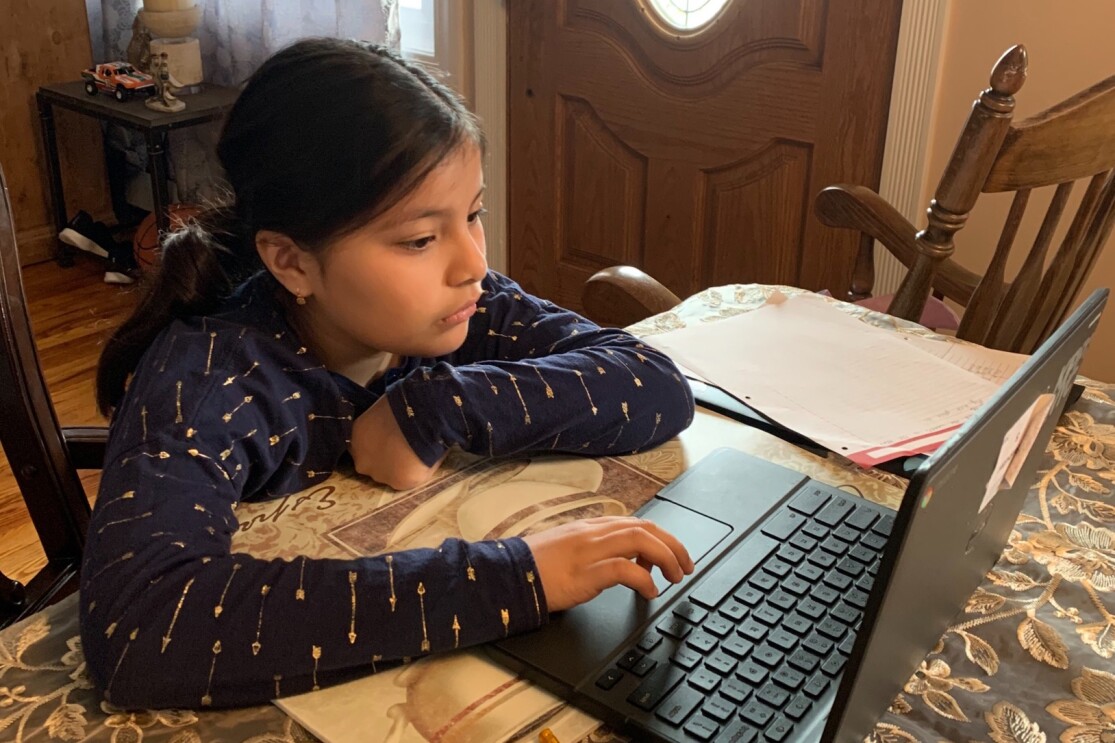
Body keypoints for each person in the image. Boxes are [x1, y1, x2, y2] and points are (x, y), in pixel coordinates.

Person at [81, 37, 696, 710]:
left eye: (473, 214)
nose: (471, 263)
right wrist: (514, 580)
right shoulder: (208, 380)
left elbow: (651, 382)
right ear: (291, 263)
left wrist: (437, 403)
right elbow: (141, 627)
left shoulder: (461, 308)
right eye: (418, 239)